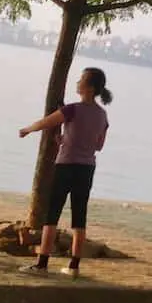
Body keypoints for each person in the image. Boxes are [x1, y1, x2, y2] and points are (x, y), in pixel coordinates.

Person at [18, 68, 112, 278]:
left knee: (52, 215)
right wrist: (64, 141)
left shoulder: (72, 109)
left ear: (89, 87)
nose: (77, 83)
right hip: (86, 169)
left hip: (66, 165)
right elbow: (98, 146)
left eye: (81, 80)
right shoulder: (102, 115)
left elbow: (46, 122)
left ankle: (42, 264)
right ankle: (74, 267)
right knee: (79, 217)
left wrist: (27, 130)